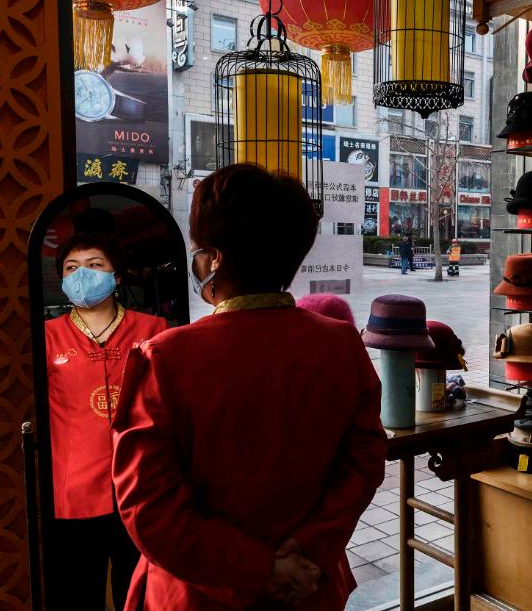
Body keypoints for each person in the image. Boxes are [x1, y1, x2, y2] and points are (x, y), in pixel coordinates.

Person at [111, 164, 387, 610]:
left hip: (200, 595)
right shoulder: (341, 345)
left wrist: (256, 569)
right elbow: (365, 463)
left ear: (214, 259)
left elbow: (149, 507)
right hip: (309, 586)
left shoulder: (165, 358)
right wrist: (309, 551)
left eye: (198, 250)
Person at [45, 232, 167, 610]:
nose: (82, 274)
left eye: (94, 265)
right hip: (74, 493)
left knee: (142, 593)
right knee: (78, 595)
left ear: (116, 276)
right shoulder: (46, 337)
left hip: (141, 487)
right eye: (71, 268)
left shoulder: (154, 329)